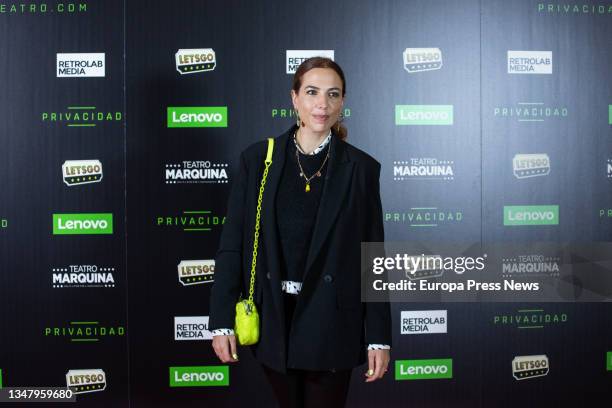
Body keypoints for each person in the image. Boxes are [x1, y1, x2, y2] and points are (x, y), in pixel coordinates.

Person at [209, 57, 391, 408]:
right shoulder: (258, 159)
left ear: (342, 103)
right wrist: (220, 322)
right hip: (275, 319)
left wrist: (379, 338)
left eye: (332, 94)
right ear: (295, 99)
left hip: (333, 324)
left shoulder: (362, 169)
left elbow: (374, 260)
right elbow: (232, 246)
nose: (322, 104)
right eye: (312, 92)